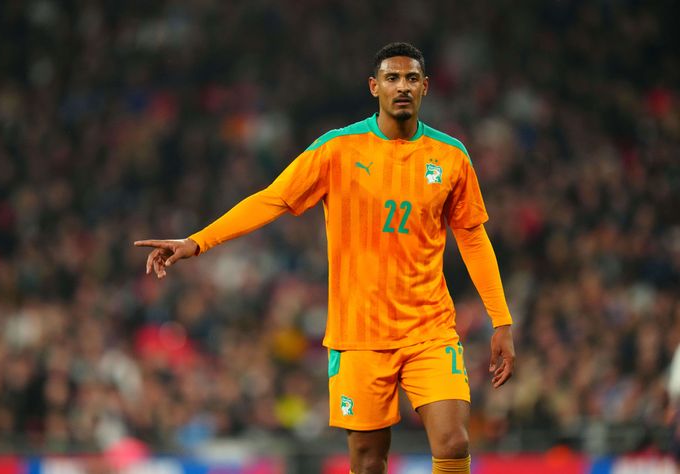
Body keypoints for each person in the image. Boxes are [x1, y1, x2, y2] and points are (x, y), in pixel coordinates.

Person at [135, 42, 515, 474]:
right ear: (374, 87)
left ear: (426, 87)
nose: (402, 86)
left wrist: (500, 320)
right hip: (357, 336)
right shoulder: (337, 150)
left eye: (411, 78)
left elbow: (473, 238)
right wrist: (197, 241)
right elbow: (273, 199)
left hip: (429, 330)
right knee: (368, 459)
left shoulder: (451, 156)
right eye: (392, 78)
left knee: (453, 441)